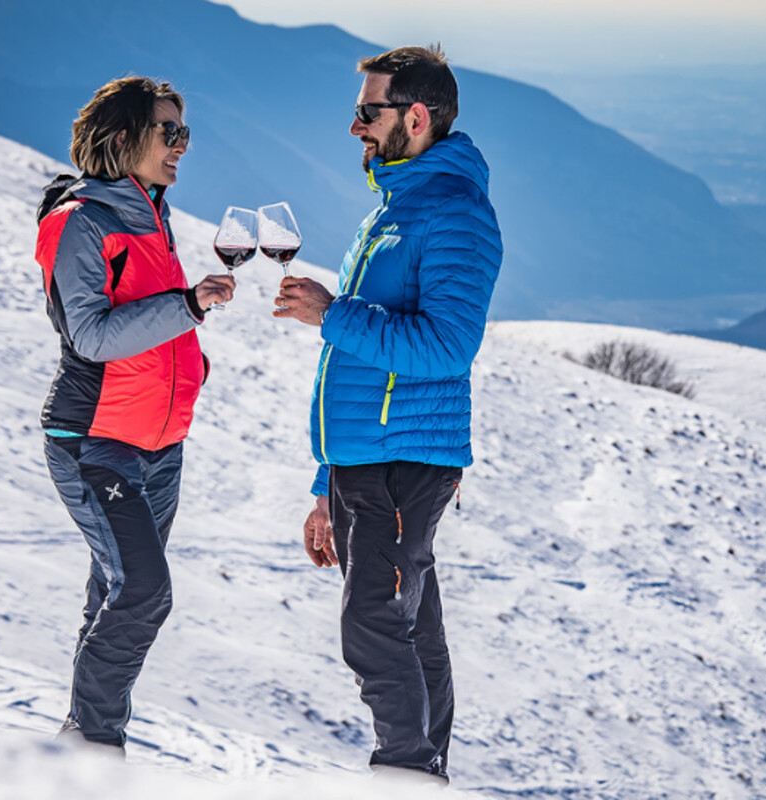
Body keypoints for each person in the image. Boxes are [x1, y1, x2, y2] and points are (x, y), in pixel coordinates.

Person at [273, 45, 502, 782]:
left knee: (373, 623)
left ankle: (402, 776)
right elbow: (356, 364)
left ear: (416, 116)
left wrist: (332, 314)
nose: (354, 128)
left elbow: (447, 347)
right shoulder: (395, 209)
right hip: (366, 457)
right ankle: (423, 776)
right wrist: (325, 484)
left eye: (366, 113)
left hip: (406, 458)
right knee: (411, 624)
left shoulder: (455, 215)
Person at [34, 76, 234, 753]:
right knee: (144, 591)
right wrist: (190, 306)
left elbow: (148, 321)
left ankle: (84, 745)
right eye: (168, 132)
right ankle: (91, 743)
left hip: (161, 444)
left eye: (185, 132)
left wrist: (190, 362)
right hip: (96, 441)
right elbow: (90, 335)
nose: (182, 146)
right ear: (123, 139)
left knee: (117, 591)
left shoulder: (152, 214)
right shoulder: (80, 221)